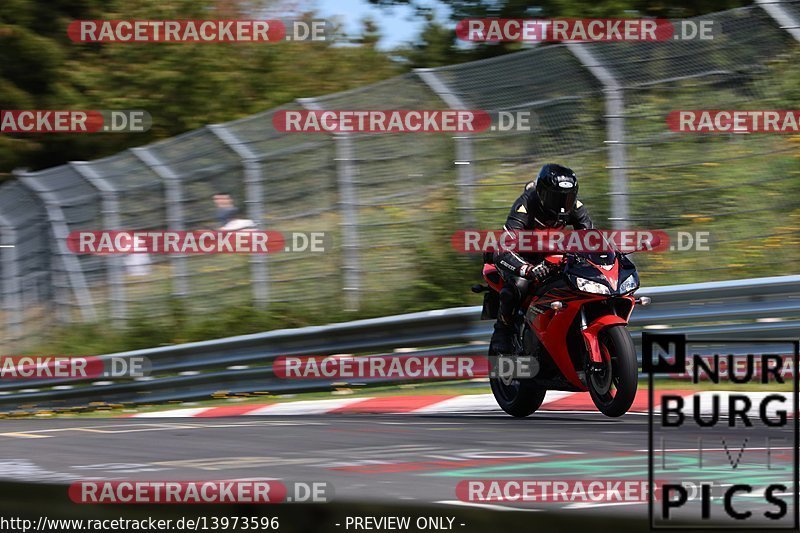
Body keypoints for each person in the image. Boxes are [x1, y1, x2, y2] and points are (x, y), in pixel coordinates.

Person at [490, 163, 594, 354]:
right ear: (541, 193)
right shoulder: (525, 206)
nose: (563, 204)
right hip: (522, 256)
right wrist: (527, 269)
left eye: (568, 198)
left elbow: (590, 239)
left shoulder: (576, 207)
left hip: (552, 255)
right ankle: (502, 330)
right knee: (518, 286)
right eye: (556, 197)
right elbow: (502, 249)